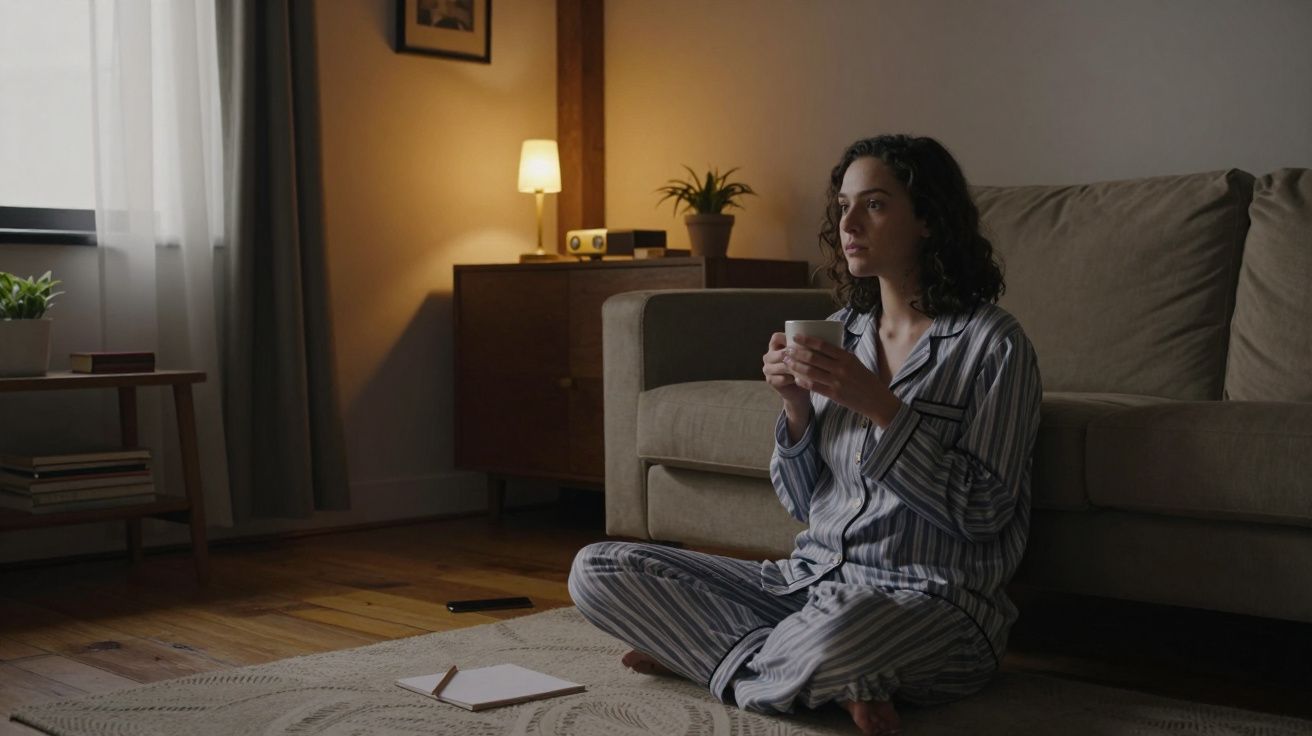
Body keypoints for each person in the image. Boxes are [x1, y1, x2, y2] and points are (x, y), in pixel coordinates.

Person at [568, 134, 1042, 736]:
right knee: (597, 570)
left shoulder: (993, 345)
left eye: (873, 204)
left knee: (842, 634)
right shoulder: (842, 331)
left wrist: (880, 406)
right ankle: (807, 673)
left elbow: (986, 513)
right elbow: (801, 503)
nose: (848, 223)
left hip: (930, 604)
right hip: (808, 583)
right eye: (842, 205)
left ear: (927, 219)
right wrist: (794, 407)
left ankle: (719, 659)